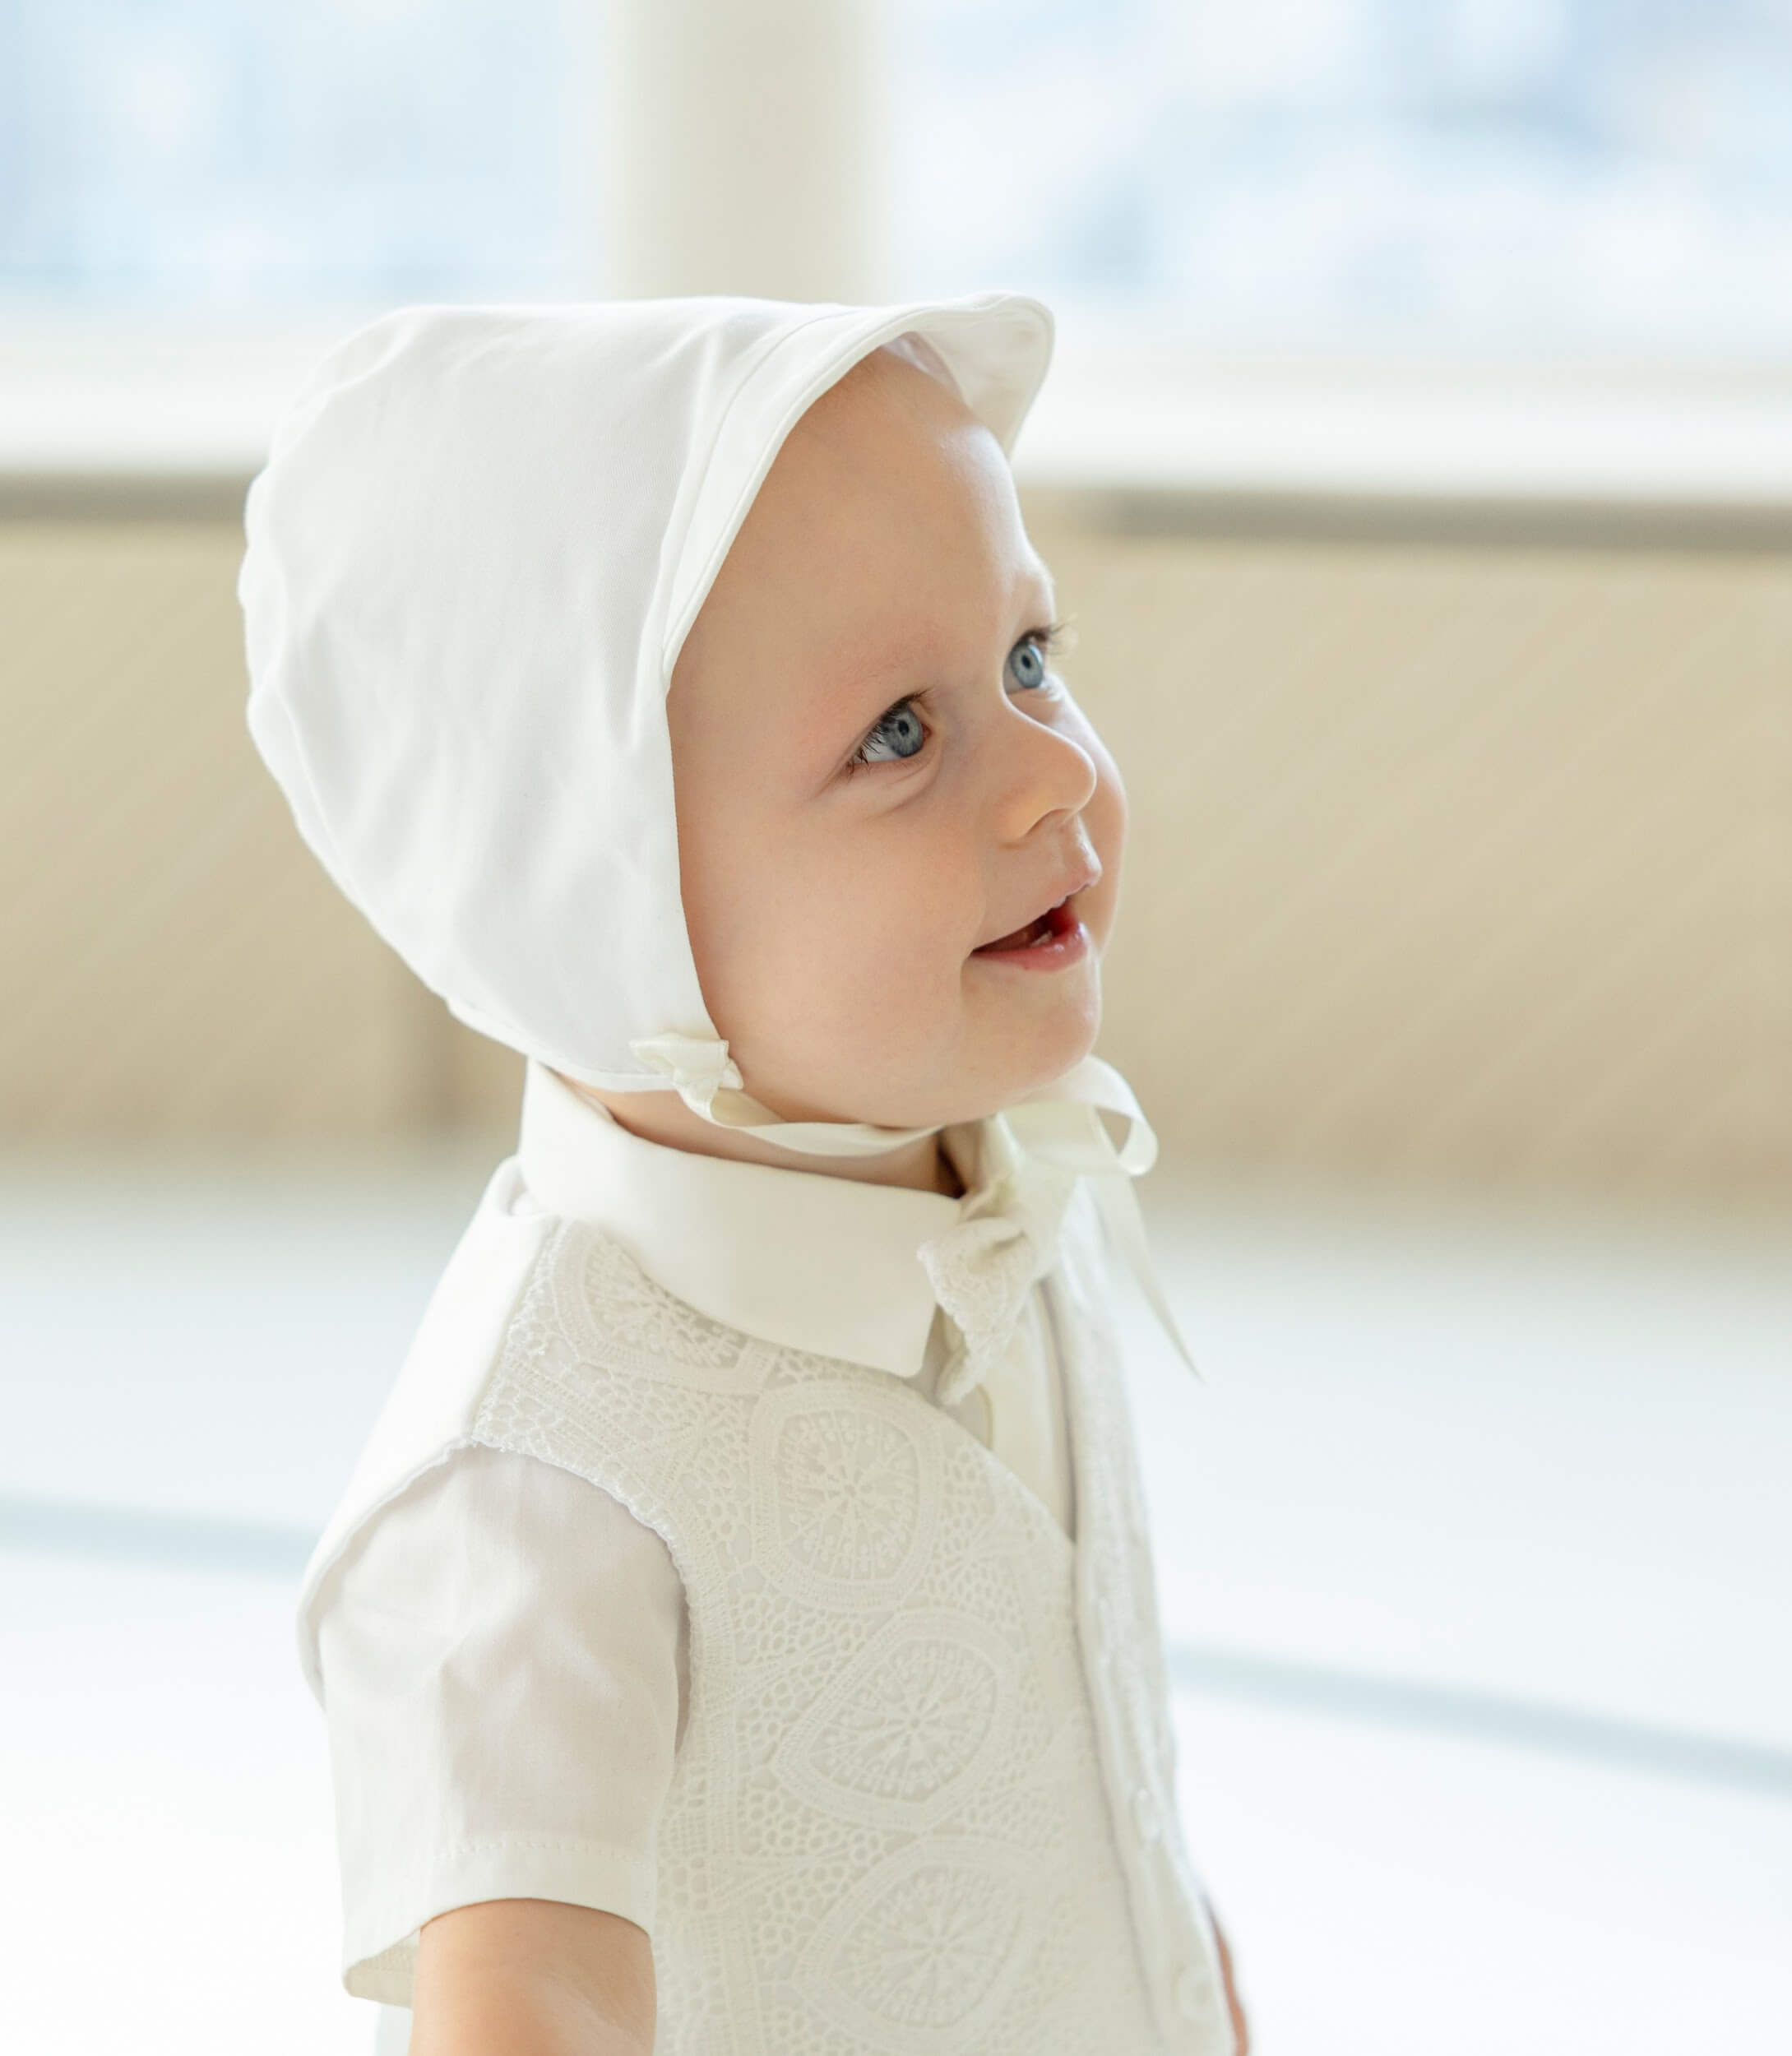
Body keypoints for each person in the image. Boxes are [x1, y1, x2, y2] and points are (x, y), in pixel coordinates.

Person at [238, 289, 1251, 2056]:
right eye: (897, 735)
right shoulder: (536, 1496)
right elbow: (524, 2006)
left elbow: (1110, 1795)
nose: (1053, 775)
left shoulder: (999, 1183)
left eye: (1028, 657)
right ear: (599, 900)